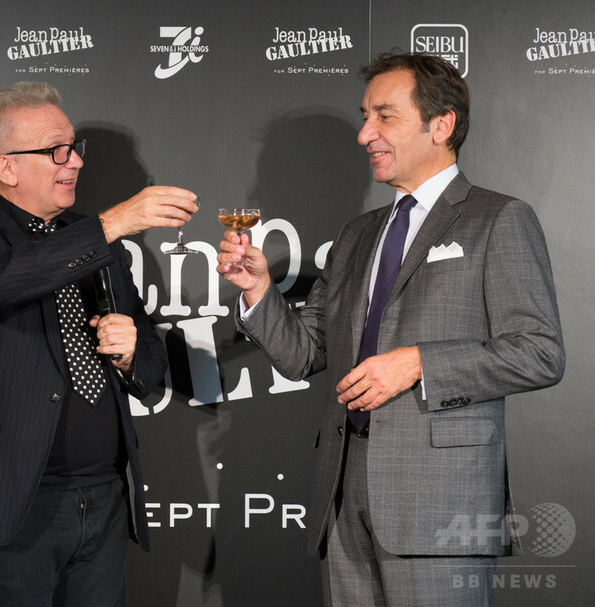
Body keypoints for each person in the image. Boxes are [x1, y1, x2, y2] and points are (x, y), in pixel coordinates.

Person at [218, 52, 564, 606]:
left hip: (440, 502)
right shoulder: (357, 234)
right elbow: (304, 354)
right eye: (365, 117)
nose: (365, 134)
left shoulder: (499, 218)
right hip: (343, 490)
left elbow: (539, 352)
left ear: (441, 125)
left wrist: (419, 362)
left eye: (385, 116)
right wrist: (258, 290)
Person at [0, 81, 198, 606]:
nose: (76, 162)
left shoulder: (96, 241)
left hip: (104, 497)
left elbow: (152, 361)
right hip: (14, 502)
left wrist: (132, 352)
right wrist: (113, 222)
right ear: (7, 167)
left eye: (74, 148)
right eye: (56, 151)